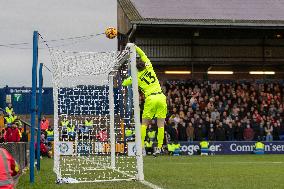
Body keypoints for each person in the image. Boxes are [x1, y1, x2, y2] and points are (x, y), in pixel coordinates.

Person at [122, 45, 167, 156]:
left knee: (144, 124)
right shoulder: (148, 65)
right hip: (161, 97)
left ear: (136, 68)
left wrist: (126, 75)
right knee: (161, 124)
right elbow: (142, 54)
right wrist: (134, 46)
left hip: (151, 98)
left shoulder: (136, 77)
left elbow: (124, 83)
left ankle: (141, 147)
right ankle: (159, 147)